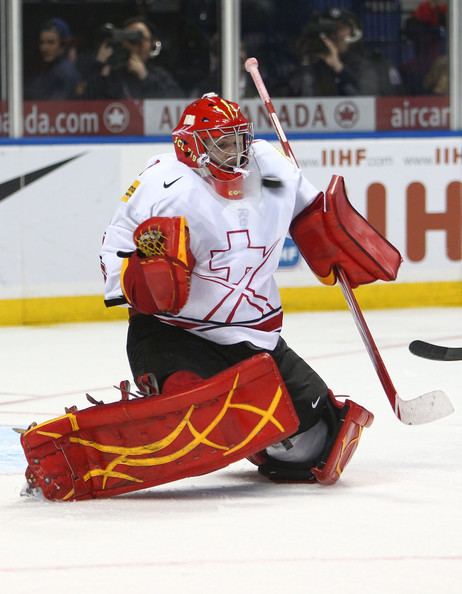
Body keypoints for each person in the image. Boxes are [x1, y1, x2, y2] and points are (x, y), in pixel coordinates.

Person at [99, 92, 377, 487]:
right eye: (223, 143)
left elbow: (316, 211)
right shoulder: (163, 185)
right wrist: (143, 276)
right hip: (177, 334)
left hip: (254, 339)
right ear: (191, 146)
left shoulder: (271, 169)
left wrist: (332, 235)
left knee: (316, 446)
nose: (236, 152)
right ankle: (168, 395)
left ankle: (256, 441)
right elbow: (116, 249)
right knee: (192, 404)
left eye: (239, 140)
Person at [288, 8, 403, 97]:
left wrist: (339, 68)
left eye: (340, 29)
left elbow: (369, 100)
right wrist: (307, 63)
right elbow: (299, 101)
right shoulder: (313, 64)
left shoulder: (367, 63)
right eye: (329, 31)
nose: (335, 35)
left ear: (353, 32)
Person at [84, 17, 184, 100]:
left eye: (141, 39)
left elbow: (175, 102)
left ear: (151, 44)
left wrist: (145, 77)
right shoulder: (111, 74)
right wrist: (99, 64)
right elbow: (86, 103)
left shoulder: (160, 76)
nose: (136, 46)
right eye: (131, 40)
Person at [24, 18, 80, 100]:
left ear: (63, 45)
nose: (44, 48)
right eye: (42, 43)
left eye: (51, 42)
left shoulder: (66, 72)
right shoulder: (44, 70)